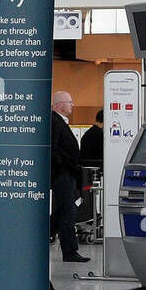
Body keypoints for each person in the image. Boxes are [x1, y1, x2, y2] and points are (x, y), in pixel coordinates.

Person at [49, 91, 88, 263]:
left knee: (60, 212)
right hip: (63, 175)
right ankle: (70, 250)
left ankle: (43, 238)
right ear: (59, 104)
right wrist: (63, 167)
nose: (73, 105)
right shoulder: (55, 122)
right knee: (67, 212)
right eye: (69, 102)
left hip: (65, 174)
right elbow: (53, 148)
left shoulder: (59, 122)